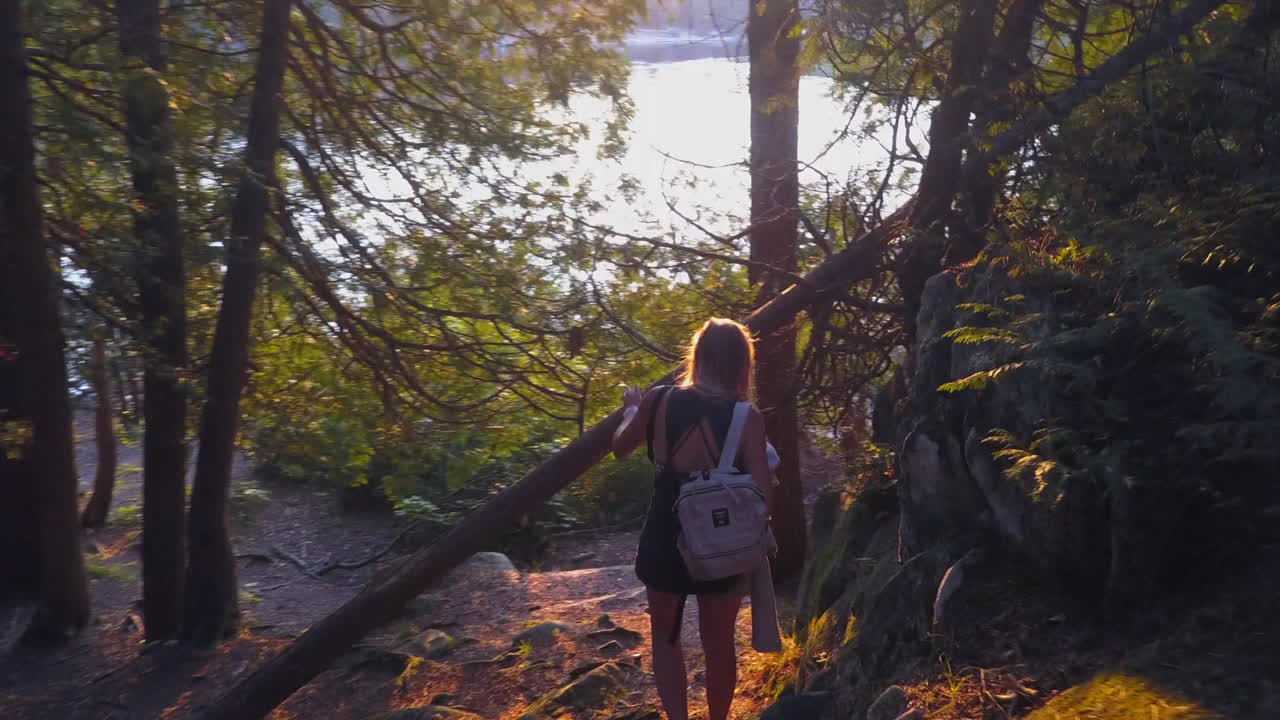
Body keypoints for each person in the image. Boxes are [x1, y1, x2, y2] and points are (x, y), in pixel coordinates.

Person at [612, 318, 775, 720]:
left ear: (697, 356)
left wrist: (631, 409)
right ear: (742, 363)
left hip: (665, 533)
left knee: (665, 639)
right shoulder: (746, 415)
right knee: (718, 643)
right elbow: (763, 491)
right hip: (725, 537)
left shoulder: (659, 399)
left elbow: (620, 447)